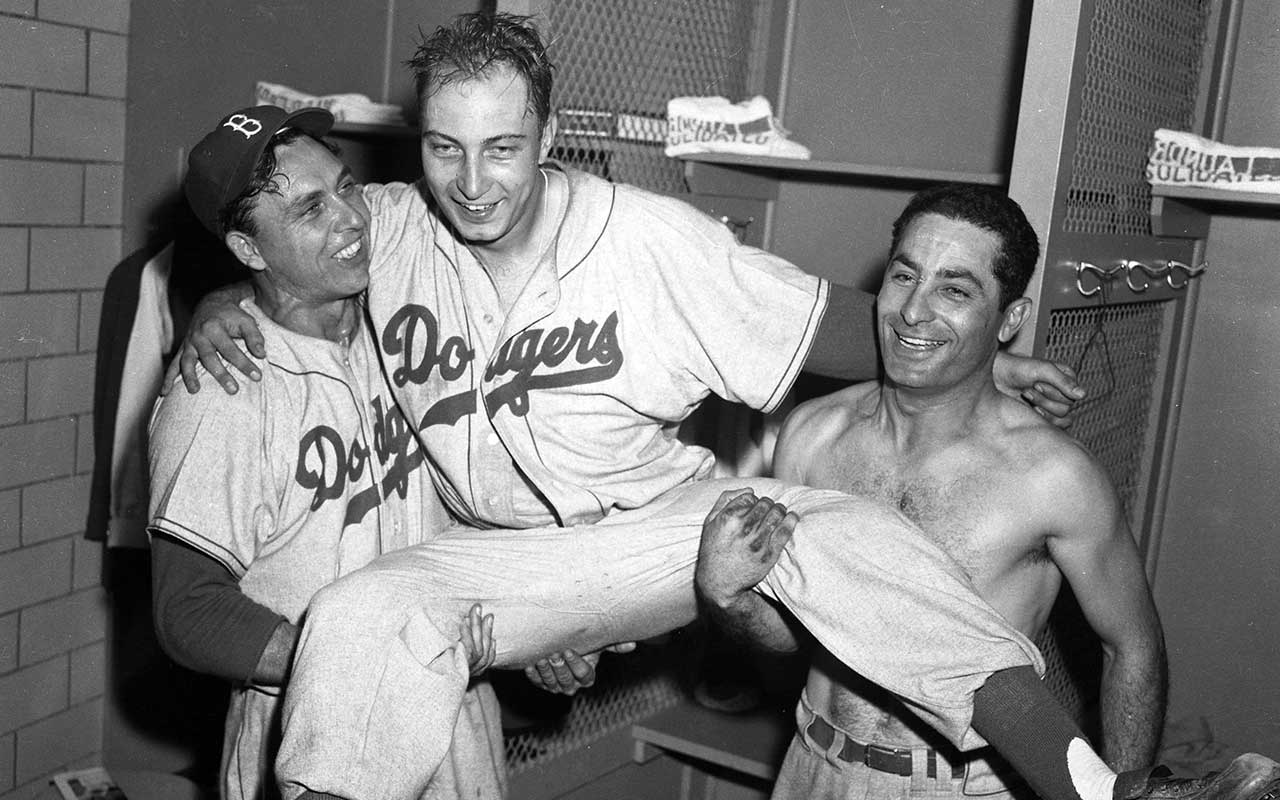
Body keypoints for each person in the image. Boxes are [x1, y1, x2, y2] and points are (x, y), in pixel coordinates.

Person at [172, 14, 1278, 800]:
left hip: (656, 536)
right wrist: (219, 299)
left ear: (549, 138)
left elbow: (821, 324)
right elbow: (285, 251)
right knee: (367, 612)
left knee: (835, 531)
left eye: (502, 146)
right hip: (499, 567)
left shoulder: (654, 241)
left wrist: (983, 348)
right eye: (446, 148)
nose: (471, 180)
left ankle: (1092, 786)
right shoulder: (389, 227)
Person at [695, 184, 1172, 800]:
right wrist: (729, 598)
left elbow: (1131, 644)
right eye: (904, 277)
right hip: (815, 766)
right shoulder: (812, 437)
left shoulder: (1051, 477)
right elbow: (793, 638)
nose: (913, 311)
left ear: (1011, 319)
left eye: (955, 289)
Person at [146, 105, 505, 800]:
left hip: (455, 715)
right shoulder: (223, 387)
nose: (351, 218)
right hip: (313, 730)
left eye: (346, 187)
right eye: (312, 209)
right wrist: (360, 661)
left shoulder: (400, 314)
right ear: (250, 251)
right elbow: (187, 611)